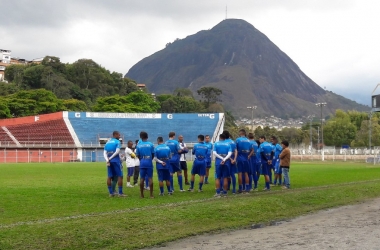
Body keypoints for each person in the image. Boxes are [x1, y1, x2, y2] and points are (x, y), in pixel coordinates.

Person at [103, 131, 126, 197]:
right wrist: (111, 158)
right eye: (119, 135)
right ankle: (120, 193)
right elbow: (117, 151)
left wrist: (107, 159)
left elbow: (104, 153)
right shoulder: (117, 142)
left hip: (109, 162)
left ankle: (111, 193)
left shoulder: (107, 142)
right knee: (120, 176)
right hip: (116, 161)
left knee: (109, 176)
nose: (119, 136)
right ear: (115, 135)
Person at [135, 131, 155, 198]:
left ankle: (141, 194)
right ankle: (151, 195)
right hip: (149, 161)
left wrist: (142, 159)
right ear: (147, 136)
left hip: (142, 162)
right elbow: (153, 154)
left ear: (141, 137)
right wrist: (149, 159)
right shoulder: (151, 144)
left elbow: (137, 155)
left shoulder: (138, 145)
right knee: (150, 178)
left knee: (142, 178)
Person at [235, 129, 252, 193]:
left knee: (240, 173)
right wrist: (249, 155)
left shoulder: (238, 140)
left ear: (240, 133)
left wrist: (234, 158)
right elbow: (251, 149)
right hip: (246, 159)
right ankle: (247, 188)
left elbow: (235, 149)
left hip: (240, 158)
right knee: (246, 173)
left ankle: (240, 188)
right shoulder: (248, 141)